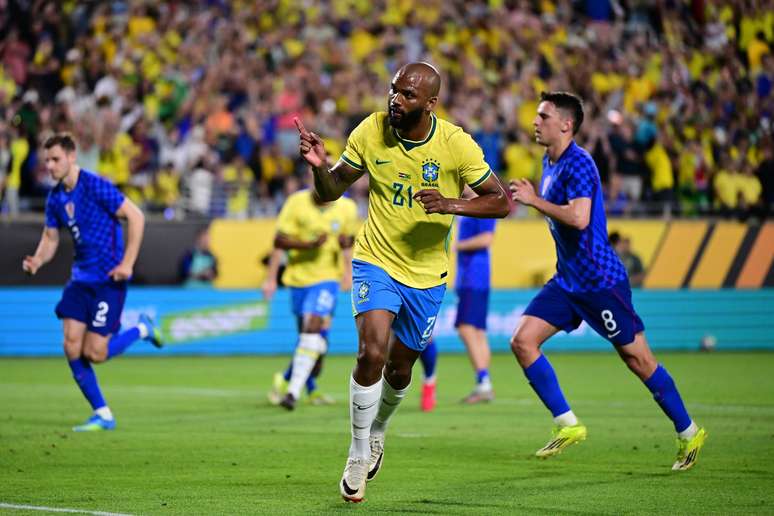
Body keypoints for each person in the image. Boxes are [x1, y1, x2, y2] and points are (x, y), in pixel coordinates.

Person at [296, 62, 510, 502]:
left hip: (428, 275)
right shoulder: (371, 130)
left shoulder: (455, 144)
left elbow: (501, 201)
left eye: (408, 95)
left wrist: (451, 203)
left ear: (431, 103)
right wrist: (320, 166)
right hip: (375, 260)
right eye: (394, 90)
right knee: (370, 351)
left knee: (399, 367)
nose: (396, 100)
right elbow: (330, 189)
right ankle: (356, 454)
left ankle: (378, 430)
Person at [508, 92, 706, 471]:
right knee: (522, 340)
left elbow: (580, 218)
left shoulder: (579, 163)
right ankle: (567, 424)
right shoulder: (548, 161)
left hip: (600, 282)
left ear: (566, 124)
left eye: (543, 116)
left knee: (638, 359)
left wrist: (535, 202)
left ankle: (688, 431)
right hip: (568, 281)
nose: (535, 122)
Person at [22, 133, 162, 432]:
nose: (50, 165)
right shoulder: (56, 197)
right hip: (80, 280)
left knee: (95, 353)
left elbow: (136, 216)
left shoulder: (95, 185)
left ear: (72, 157)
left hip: (108, 280)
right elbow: (50, 238)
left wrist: (127, 263)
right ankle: (103, 414)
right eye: (47, 160)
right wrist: (37, 260)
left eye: (56, 158)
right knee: (71, 345)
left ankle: (142, 328)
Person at [262, 181, 358, 410]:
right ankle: (294, 381)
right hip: (298, 279)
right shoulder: (296, 202)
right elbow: (279, 241)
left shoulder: (348, 208)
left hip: (327, 280)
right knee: (312, 341)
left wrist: (348, 271)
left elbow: (347, 241)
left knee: (312, 328)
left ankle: (292, 392)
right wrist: (271, 277)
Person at [455, 206, 497, 404]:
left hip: (474, 276)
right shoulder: (467, 207)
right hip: (471, 277)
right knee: (478, 331)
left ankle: (484, 381)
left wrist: (456, 245)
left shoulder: (484, 207)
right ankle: (483, 385)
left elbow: (487, 238)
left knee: (465, 328)